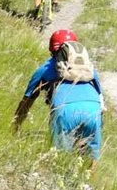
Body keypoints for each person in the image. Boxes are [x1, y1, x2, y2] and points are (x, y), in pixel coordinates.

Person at [13, 29, 105, 162]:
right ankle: (88, 181)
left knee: (59, 158)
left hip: (64, 110)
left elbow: (27, 100)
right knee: (89, 157)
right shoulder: (89, 69)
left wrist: (16, 125)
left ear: (52, 50)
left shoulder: (44, 69)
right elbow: (100, 98)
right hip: (93, 110)